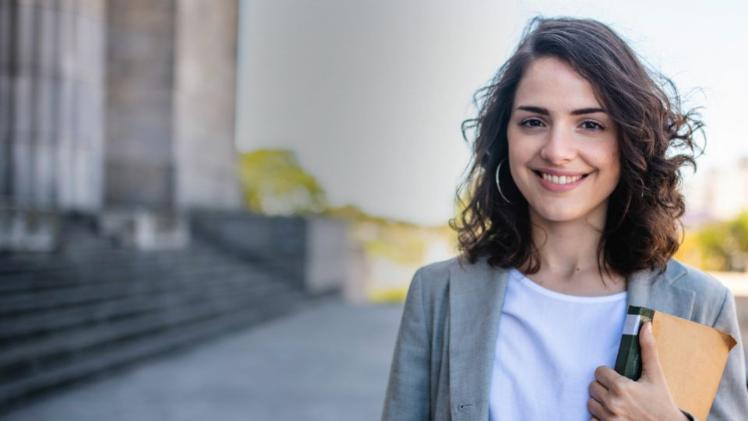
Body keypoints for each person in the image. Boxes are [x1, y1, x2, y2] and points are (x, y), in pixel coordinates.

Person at [381, 17, 748, 421]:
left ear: (628, 140)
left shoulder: (699, 303)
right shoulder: (439, 293)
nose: (557, 150)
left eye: (590, 124)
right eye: (533, 122)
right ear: (504, 135)